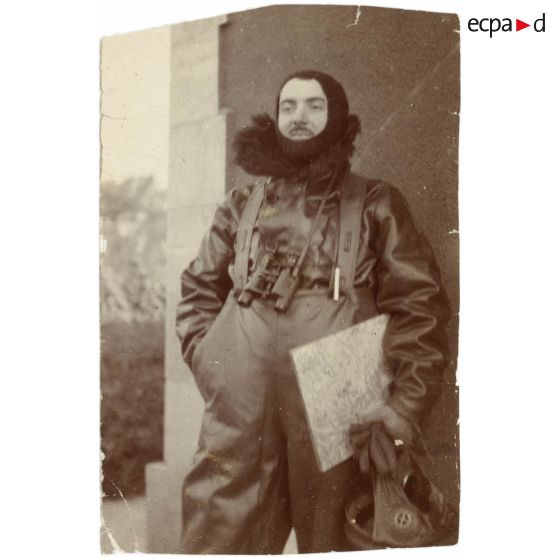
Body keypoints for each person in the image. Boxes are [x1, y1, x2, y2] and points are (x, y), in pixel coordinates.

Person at [175, 70, 450, 554]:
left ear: (337, 118)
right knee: (218, 535)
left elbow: (419, 307)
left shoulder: (375, 203)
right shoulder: (239, 206)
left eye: (314, 106)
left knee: (336, 534)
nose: (299, 116)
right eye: (289, 106)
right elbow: (198, 288)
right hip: (240, 407)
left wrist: (404, 406)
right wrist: (213, 365)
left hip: (340, 406)